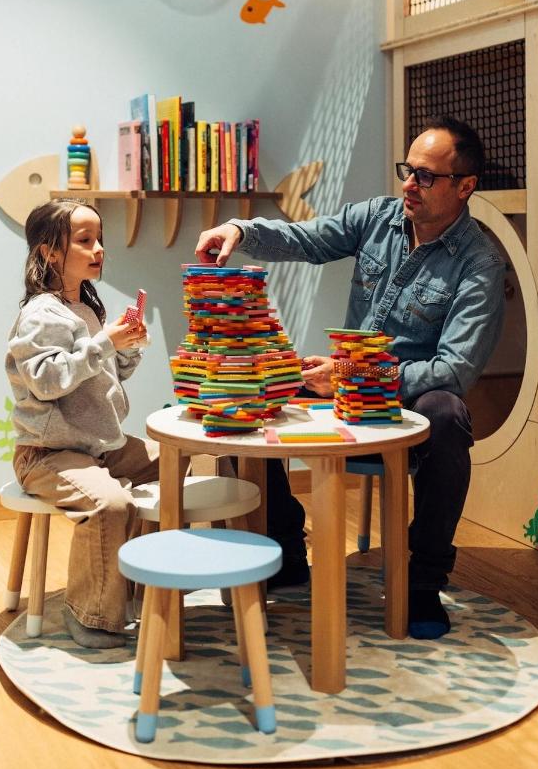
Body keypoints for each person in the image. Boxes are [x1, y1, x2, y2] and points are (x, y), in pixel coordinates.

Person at [195, 117, 505, 639]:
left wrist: (352, 374)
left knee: (448, 414)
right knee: (244, 386)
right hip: (344, 391)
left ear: (465, 186)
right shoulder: (377, 218)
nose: (410, 184)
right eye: (408, 170)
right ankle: (283, 546)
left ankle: (424, 582)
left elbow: (453, 370)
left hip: (409, 406)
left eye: (426, 176)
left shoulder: (480, 264)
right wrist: (241, 231)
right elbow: (306, 238)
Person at [6, 200, 159, 649]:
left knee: (175, 460)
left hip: (100, 446)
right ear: (50, 251)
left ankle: (141, 582)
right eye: (85, 240)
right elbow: (46, 382)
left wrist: (127, 346)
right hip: (48, 454)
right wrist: (103, 344)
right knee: (109, 505)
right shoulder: (41, 315)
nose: (98, 250)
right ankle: (89, 614)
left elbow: (107, 375)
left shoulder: (86, 308)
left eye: (100, 240)